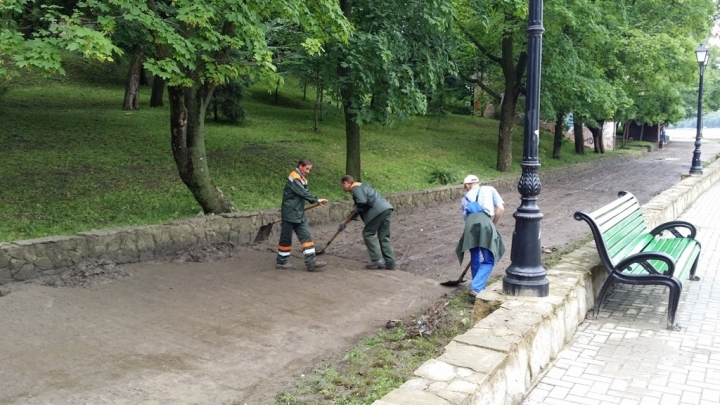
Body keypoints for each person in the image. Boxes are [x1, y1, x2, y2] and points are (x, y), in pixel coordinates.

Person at [455, 174, 506, 297]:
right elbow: (500, 208)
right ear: (477, 182)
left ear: (467, 185)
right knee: (489, 259)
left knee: (475, 256)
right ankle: (477, 286)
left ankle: (478, 287)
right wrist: (493, 224)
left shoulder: (465, 198)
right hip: (485, 223)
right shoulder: (489, 189)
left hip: (470, 227)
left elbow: (466, 217)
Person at [276, 158, 328, 271]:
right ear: (300, 166)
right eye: (307, 169)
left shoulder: (301, 178)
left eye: (309, 169)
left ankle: (311, 262)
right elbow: (303, 192)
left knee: (306, 236)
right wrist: (316, 200)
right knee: (286, 238)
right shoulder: (294, 177)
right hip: (290, 213)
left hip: (298, 213)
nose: (308, 171)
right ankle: (281, 261)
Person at [339, 175, 397, 270]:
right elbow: (357, 209)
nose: (343, 187)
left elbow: (362, 202)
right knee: (384, 236)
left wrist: (356, 208)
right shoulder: (363, 187)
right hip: (386, 208)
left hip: (377, 211)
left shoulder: (355, 187)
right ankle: (390, 263)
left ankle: (376, 259)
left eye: (343, 185)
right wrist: (345, 222)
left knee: (367, 233)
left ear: (346, 183)